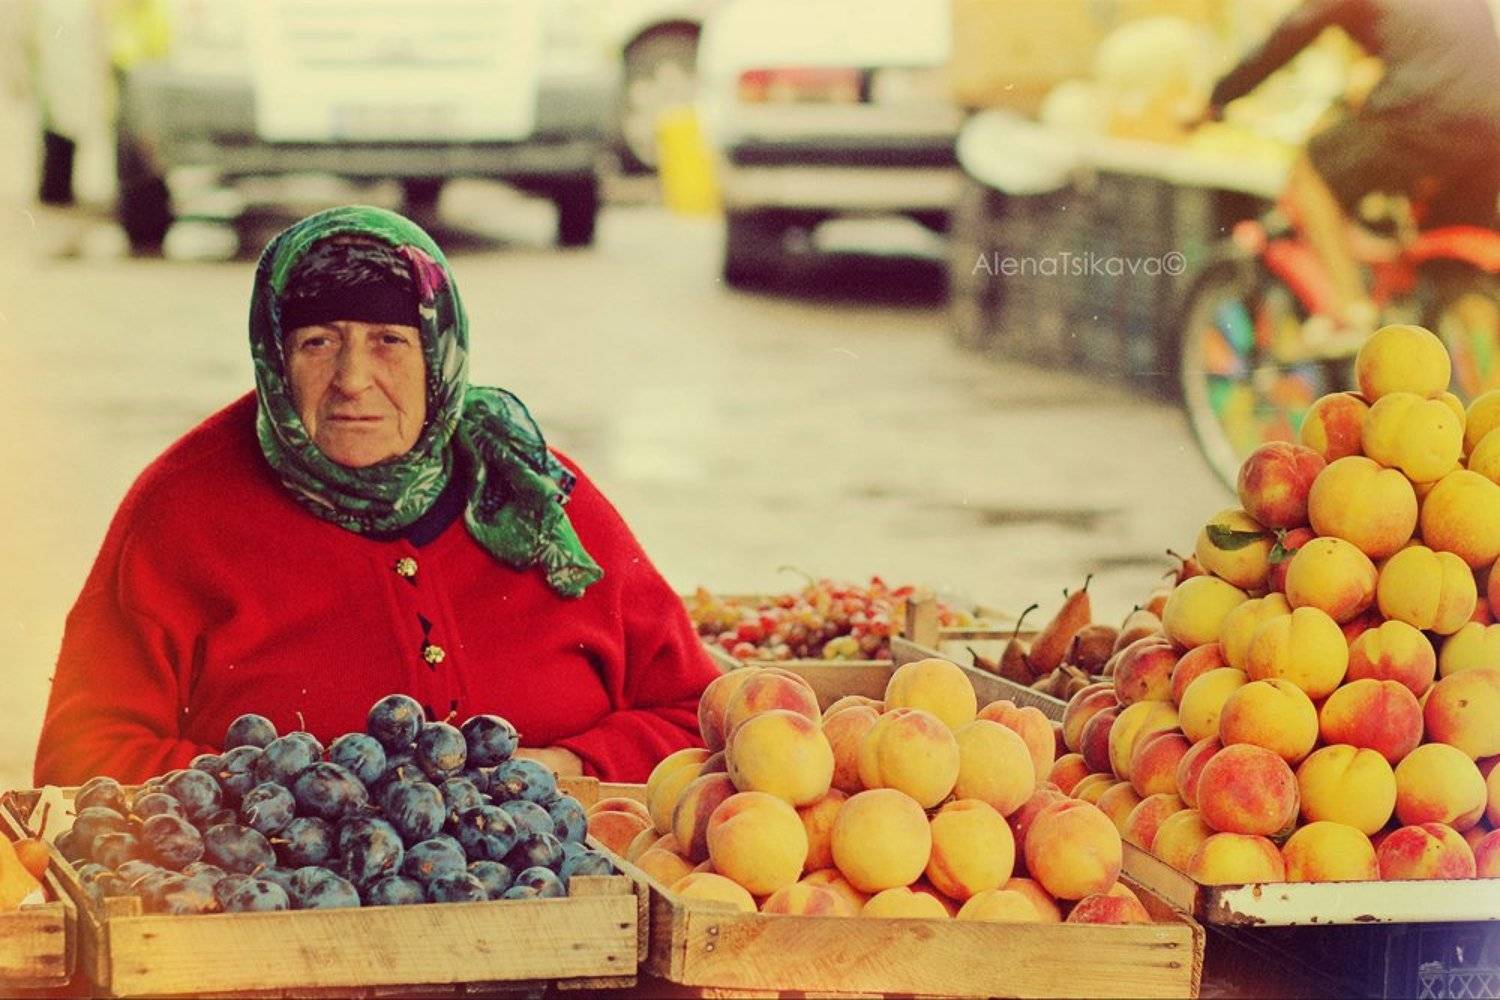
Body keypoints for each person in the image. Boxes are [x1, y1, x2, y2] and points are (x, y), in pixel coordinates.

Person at [34, 205, 720, 785]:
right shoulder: (182, 511)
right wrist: (305, 804)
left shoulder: (534, 492)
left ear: (440, 355)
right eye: (318, 342)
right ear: (275, 356)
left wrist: (560, 770)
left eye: (390, 341)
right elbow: (80, 761)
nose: (352, 378)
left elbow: (696, 714)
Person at [1206, 0, 1500, 336]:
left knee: (1310, 172)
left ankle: (1353, 313)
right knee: (1443, 252)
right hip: (1492, 126)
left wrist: (1218, 97)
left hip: (1419, 115)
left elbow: (1292, 31)